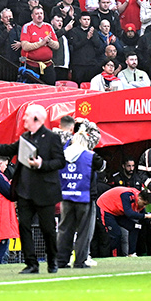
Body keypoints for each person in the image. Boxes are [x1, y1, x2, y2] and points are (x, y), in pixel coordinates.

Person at [0, 103, 63, 275]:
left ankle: (52, 261)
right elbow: (6, 149)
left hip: (44, 192)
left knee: (48, 229)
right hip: (24, 191)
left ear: (36, 118)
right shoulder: (24, 138)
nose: (24, 118)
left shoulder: (52, 138)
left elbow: (60, 162)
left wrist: (42, 164)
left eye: (27, 115)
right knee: (24, 227)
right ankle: (31, 263)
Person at [56, 114, 101, 269]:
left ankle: (61, 260)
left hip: (66, 194)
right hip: (85, 195)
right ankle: (81, 260)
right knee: (84, 230)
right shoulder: (88, 151)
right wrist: (86, 122)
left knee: (64, 229)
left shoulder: (63, 145)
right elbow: (96, 135)